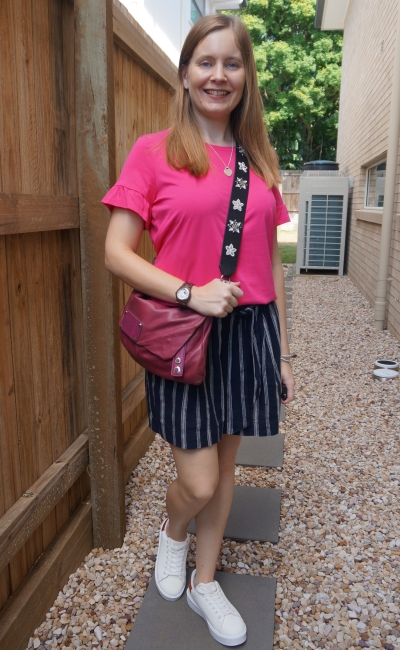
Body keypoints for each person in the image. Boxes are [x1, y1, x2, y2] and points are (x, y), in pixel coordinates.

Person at [103, 14, 294, 647]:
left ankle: (204, 581)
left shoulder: (260, 159)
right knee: (198, 479)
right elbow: (117, 253)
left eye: (231, 64)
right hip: (184, 335)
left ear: (246, 77)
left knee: (229, 467)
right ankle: (172, 533)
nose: (218, 75)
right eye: (205, 62)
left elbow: (270, 263)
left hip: (250, 335)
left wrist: (283, 353)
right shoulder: (153, 151)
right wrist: (191, 291)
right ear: (185, 74)